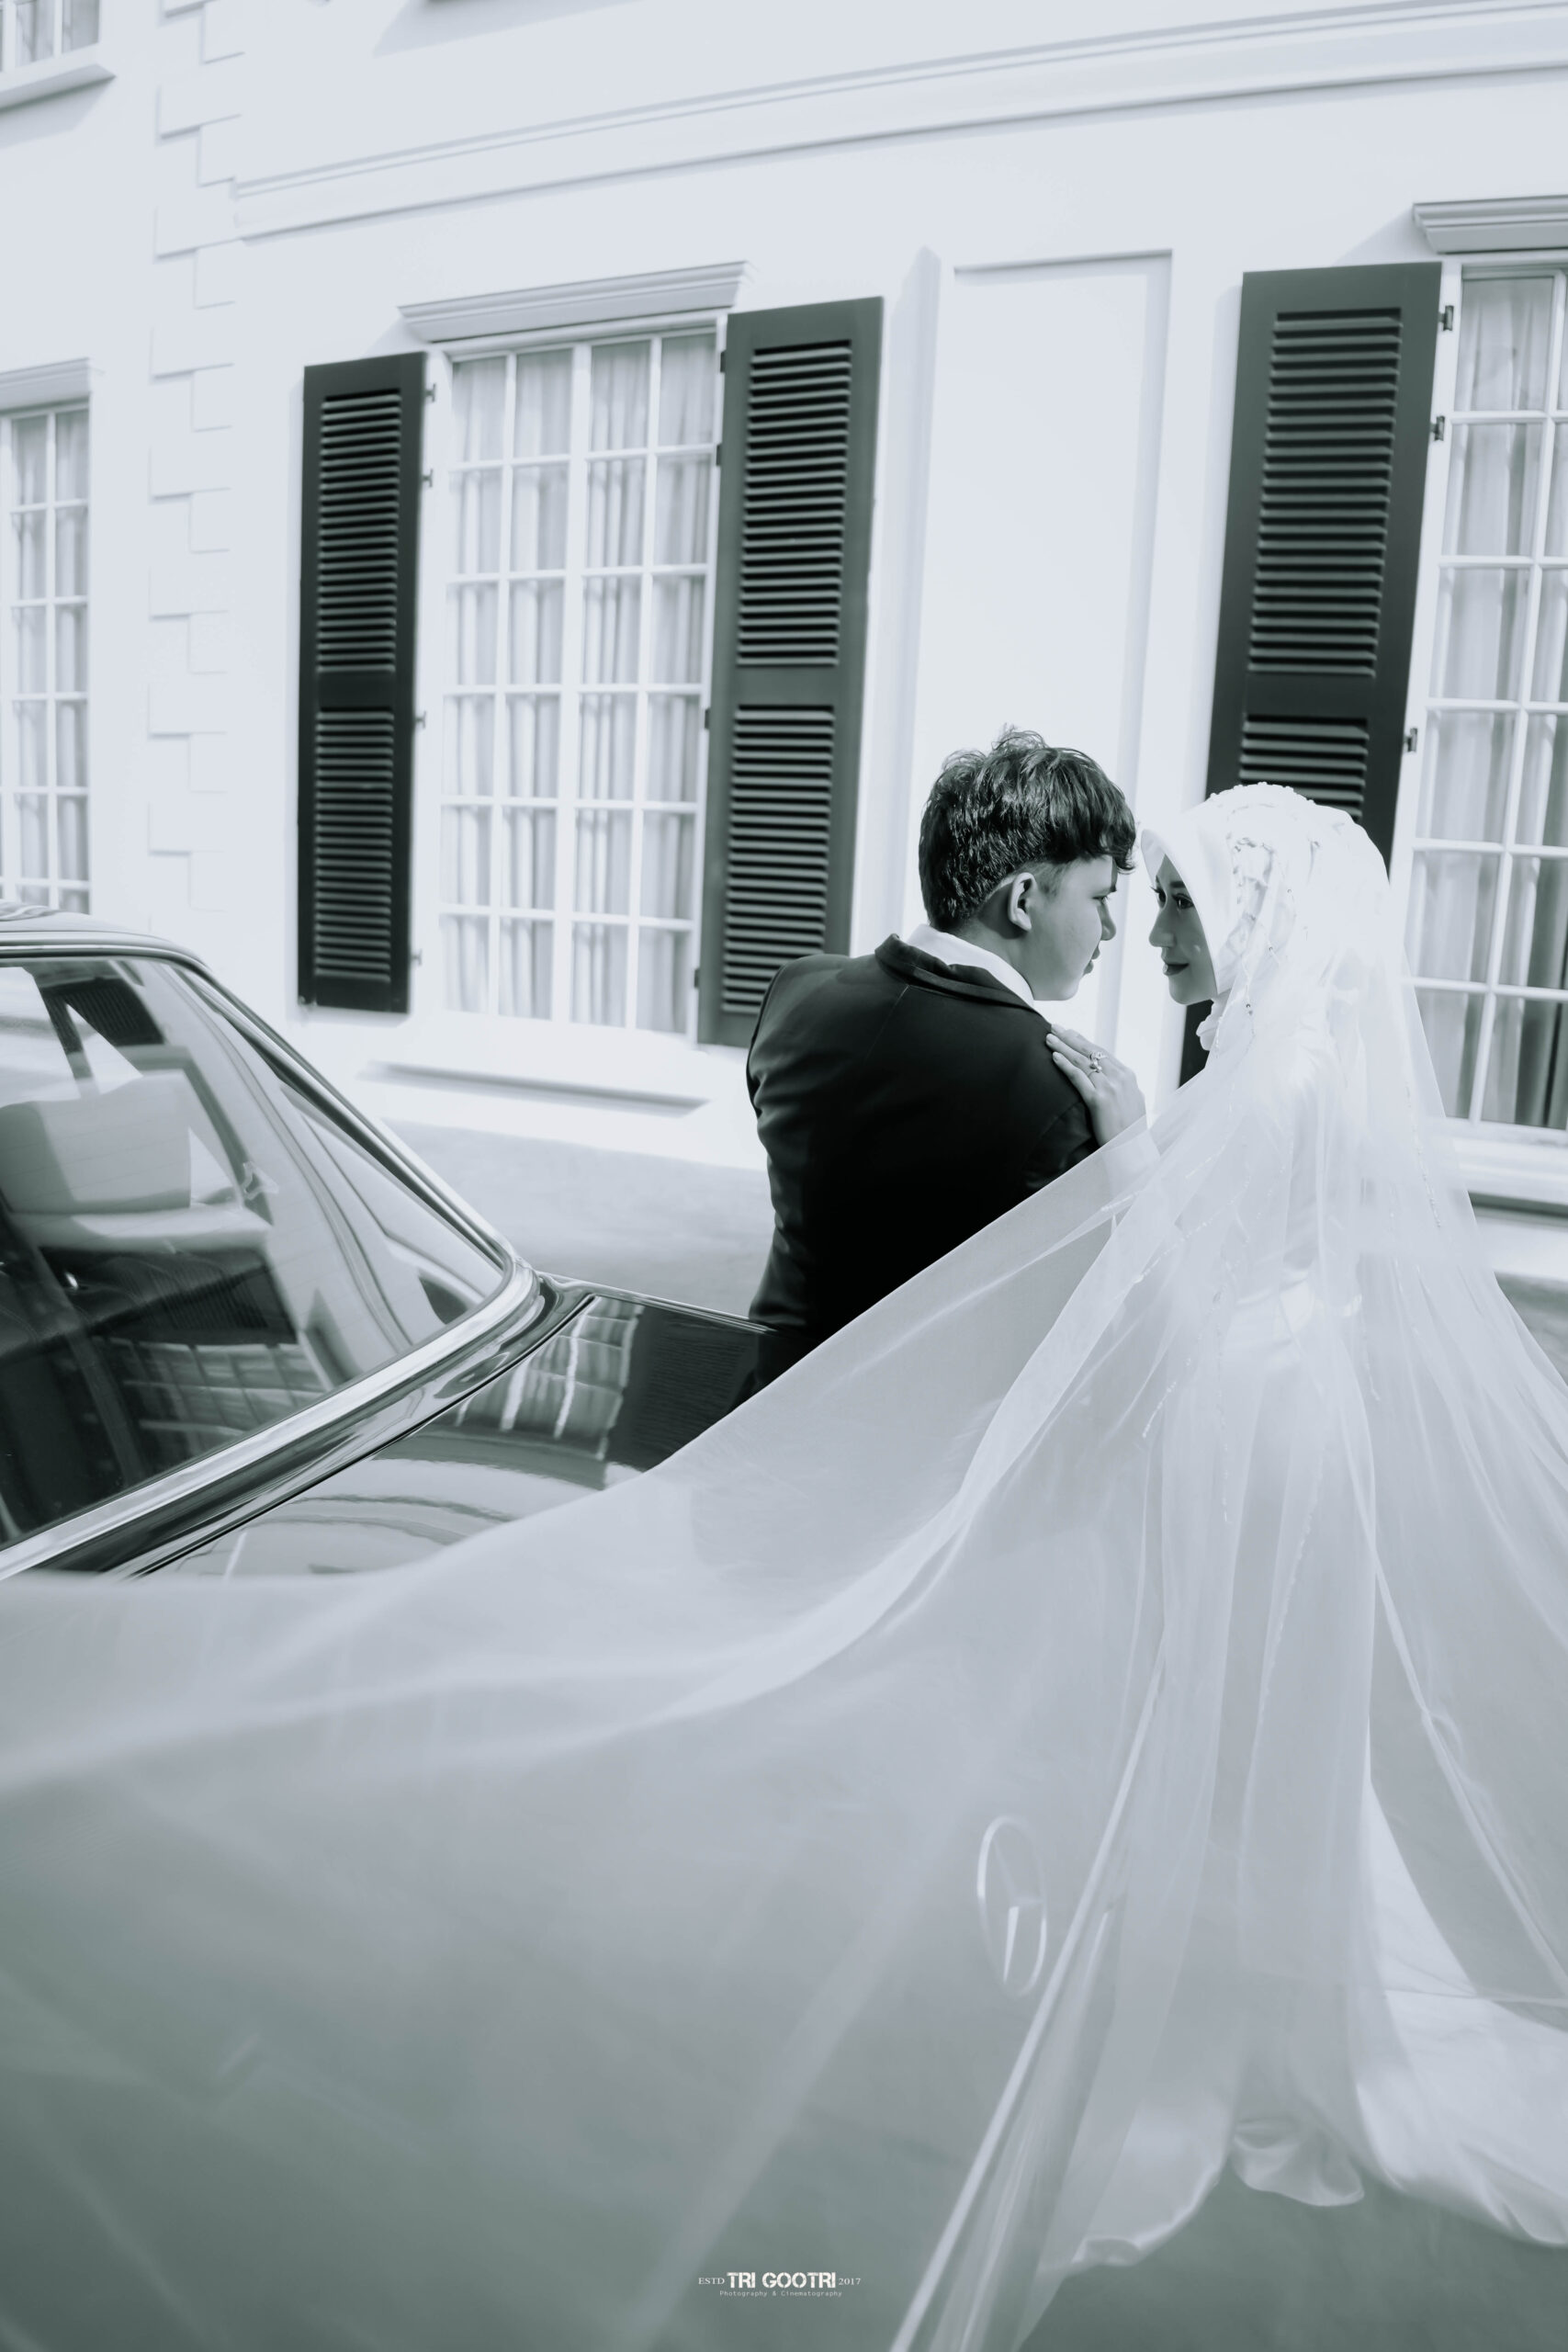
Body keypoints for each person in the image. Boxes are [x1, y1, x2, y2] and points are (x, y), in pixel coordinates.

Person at [0, 786, 1564, 2352]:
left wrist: (1133, 1155)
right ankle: (1239, 2011)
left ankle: (1247, 2018)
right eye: (1123, 894)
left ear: (1250, 925)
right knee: (1231, 1757)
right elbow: (1133, 1316)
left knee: (1241, 1751)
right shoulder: (1071, 1078)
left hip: (1248, 1426)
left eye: (1167, 902)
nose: (1136, 927)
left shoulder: (836, 1011)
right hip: (1186, 1431)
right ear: (1026, 897)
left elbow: (1185, 1311)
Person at [745, 729, 1145, 1379]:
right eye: (1099, 897)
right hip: (913, 1432)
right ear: (1022, 900)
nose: (1110, 927)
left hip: (762, 1391)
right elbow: (1106, 1332)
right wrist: (1130, 1151)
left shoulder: (794, 992)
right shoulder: (1060, 1099)